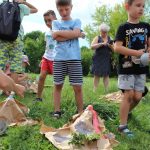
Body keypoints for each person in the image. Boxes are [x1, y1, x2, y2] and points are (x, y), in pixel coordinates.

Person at [114, 0, 150, 137]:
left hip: (141, 68)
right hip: (126, 66)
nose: (141, 9)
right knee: (128, 95)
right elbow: (117, 47)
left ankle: (127, 112)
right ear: (127, 7)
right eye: (138, 5)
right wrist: (137, 53)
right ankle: (122, 126)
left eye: (143, 6)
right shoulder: (123, 27)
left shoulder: (146, 26)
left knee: (138, 97)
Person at [52, 0, 85, 118]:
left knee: (77, 86)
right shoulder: (55, 22)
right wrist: (73, 34)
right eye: (60, 10)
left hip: (74, 58)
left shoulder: (77, 21)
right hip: (59, 58)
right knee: (57, 85)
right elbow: (55, 37)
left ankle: (81, 112)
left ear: (71, 7)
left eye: (66, 9)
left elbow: (75, 33)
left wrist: (61, 34)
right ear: (57, 9)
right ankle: (57, 111)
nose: (64, 12)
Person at [0, 0, 38, 83]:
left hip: (2, 38)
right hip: (16, 38)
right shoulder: (21, 7)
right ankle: (12, 93)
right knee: (15, 66)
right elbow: (35, 10)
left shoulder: (1, 4)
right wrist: (24, 2)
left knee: (0, 64)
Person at [35, 10, 57, 102]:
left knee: (56, 81)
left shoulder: (61, 31)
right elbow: (47, 46)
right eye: (46, 21)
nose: (48, 23)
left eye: (49, 20)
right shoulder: (47, 33)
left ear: (55, 19)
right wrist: (42, 58)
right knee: (41, 76)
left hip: (56, 59)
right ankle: (38, 97)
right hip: (46, 57)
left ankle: (55, 99)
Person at [91, 23, 113, 92]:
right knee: (97, 74)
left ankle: (106, 90)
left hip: (106, 58)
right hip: (98, 58)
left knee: (106, 74)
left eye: (105, 32)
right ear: (100, 31)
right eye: (103, 32)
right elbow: (92, 46)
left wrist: (110, 46)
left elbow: (114, 49)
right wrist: (101, 44)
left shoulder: (110, 38)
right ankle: (94, 90)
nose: (104, 33)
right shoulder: (97, 37)